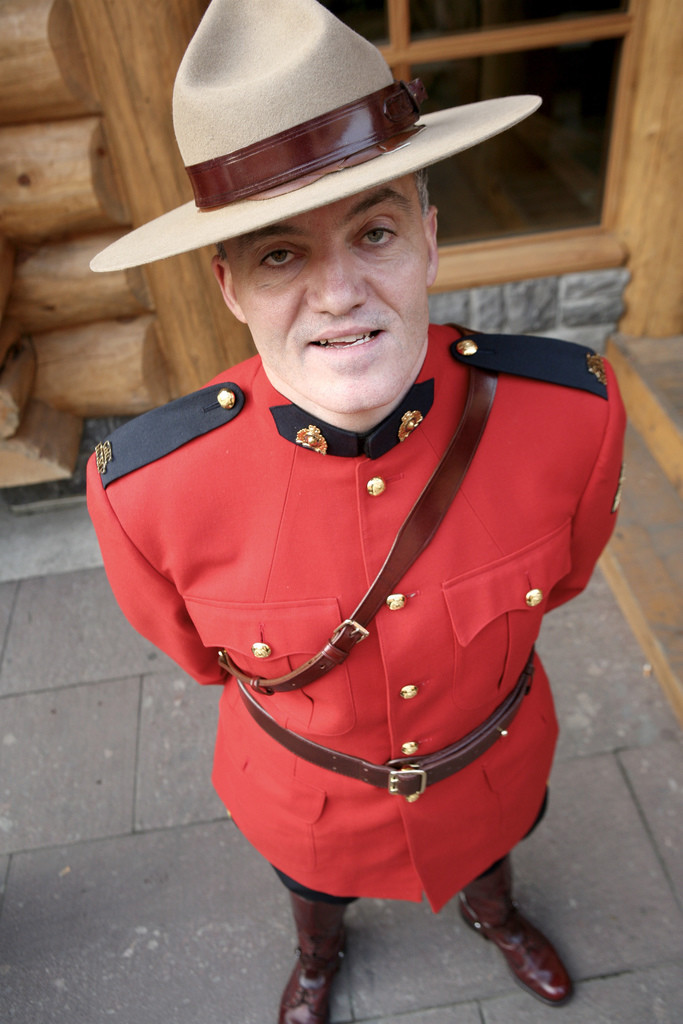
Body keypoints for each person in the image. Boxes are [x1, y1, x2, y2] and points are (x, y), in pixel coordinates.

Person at [86, 1, 626, 1021]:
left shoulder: (570, 415)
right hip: (307, 799)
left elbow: (563, 577)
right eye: (280, 253)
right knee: (313, 888)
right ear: (230, 286)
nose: (337, 293)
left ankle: (494, 912)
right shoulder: (146, 489)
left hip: (490, 767)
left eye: (372, 230)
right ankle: (319, 952)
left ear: (427, 241)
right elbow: (203, 661)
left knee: (496, 848)